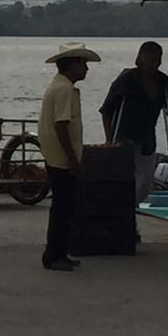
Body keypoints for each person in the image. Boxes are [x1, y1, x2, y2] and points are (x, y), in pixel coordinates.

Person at [99, 41, 168, 203]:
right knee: (123, 179)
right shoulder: (127, 79)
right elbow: (106, 110)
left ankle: (129, 206)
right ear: (140, 59)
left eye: (158, 60)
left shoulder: (162, 81)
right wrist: (109, 139)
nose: (154, 65)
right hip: (123, 137)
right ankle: (123, 209)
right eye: (150, 60)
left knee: (145, 183)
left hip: (147, 139)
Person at [39, 42, 101, 272]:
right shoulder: (65, 90)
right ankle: (54, 254)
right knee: (63, 208)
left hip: (54, 156)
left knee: (63, 207)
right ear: (72, 64)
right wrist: (72, 158)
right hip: (62, 159)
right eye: (83, 63)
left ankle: (59, 252)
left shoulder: (58, 86)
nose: (86, 68)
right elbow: (61, 125)